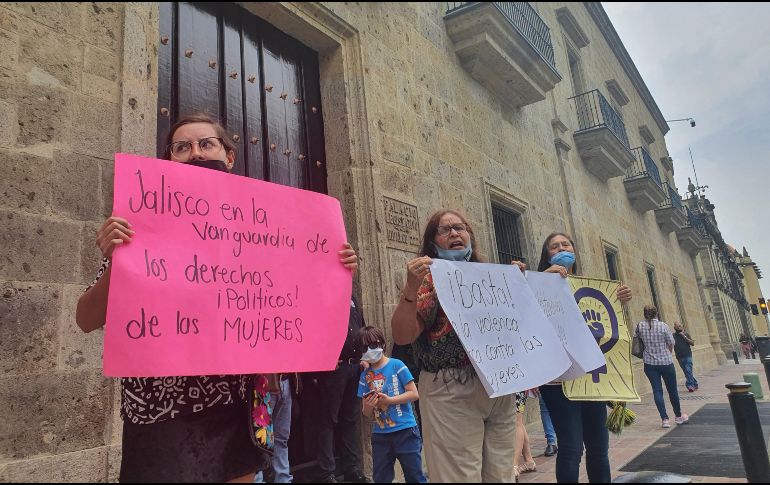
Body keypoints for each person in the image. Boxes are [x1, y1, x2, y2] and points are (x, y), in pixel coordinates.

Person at [75, 114, 359, 483]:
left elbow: (295, 298)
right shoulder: (137, 226)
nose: (195, 153)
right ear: (168, 160)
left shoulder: (257, 231)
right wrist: (117, 260)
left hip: (235, 406)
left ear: (229, 156)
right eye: (182, 147)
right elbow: (85, 319)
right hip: (160, 413)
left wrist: (334, 269)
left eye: (206, 144)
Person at [390, 209, 526, 483]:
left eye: (460, 227)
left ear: (470, 236)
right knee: (458, 477)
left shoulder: (492, 277)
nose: (454, 233)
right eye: (445, 230)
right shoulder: (428, 280)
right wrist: (410, 289)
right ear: (432, 243)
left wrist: (520, 285)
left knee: (501, 476)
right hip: (451, 390)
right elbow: (403, 335)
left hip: (498, 387)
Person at [536, 232, 632, 484]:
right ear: (547, 255)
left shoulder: (589, 287)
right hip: (558, 382)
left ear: (574, 251)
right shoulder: (537, 285)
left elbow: (605, 325)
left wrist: (618, 300)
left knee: (599, 448)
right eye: (554, 247)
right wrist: (542, 281)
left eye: (565, 245)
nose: (561, 249)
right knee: (571, 448)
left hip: (591, 379)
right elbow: (529, 320)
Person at [357, 326, 426, 483]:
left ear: (381, 343)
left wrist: (389, 401)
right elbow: (365, 412)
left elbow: (414, 393)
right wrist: (369, 404)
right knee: (381, 478)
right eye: (364, 348)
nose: (369, 350)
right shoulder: (365, 376)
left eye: (373, 345)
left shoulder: (396, 364)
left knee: (415, 477)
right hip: (380, 434)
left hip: (405, 430)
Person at [313, 294, 371, 484]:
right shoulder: (321, 294)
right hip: (333, 369)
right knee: (328, 420)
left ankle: (351, 468)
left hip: (354, 366)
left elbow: (362, 328)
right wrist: (322, 360)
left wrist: (365, 357)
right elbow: (314, 331)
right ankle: (326, 473)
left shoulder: (352, 298)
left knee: (350, 419)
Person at [637, 306, 689, 429]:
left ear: (644, 314)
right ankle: (678, 416)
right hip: (666, 363)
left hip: (649, 364)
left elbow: (638, 341)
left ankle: (665, 419)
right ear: (657, 313)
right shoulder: (663, 326)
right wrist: (667, 353)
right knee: (672, 390)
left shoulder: (640, 326)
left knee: (657, 391)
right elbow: (671, 342)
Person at [253, 373, 301, 483]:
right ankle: (259, 480)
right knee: (259, 439)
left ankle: (283, 479)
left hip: (284, 380)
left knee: (281, 438)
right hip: (262, 382)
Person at [513, 392, 536, 480]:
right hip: (515, 388)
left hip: (516, 388)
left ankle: (514, 465)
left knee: (516, 421)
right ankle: (529, 461)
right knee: (518, 421)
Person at [673, 322, 699, 392]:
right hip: (679, 356)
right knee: (687, 372)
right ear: (675, 328)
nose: (680, 327)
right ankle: (695, 383)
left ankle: (690, 385)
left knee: (688, 370)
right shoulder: (673, 336)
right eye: (678, 326)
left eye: (680, 326)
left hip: (687, 355)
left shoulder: (686, 334)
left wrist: (684, 336)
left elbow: (692, 343)